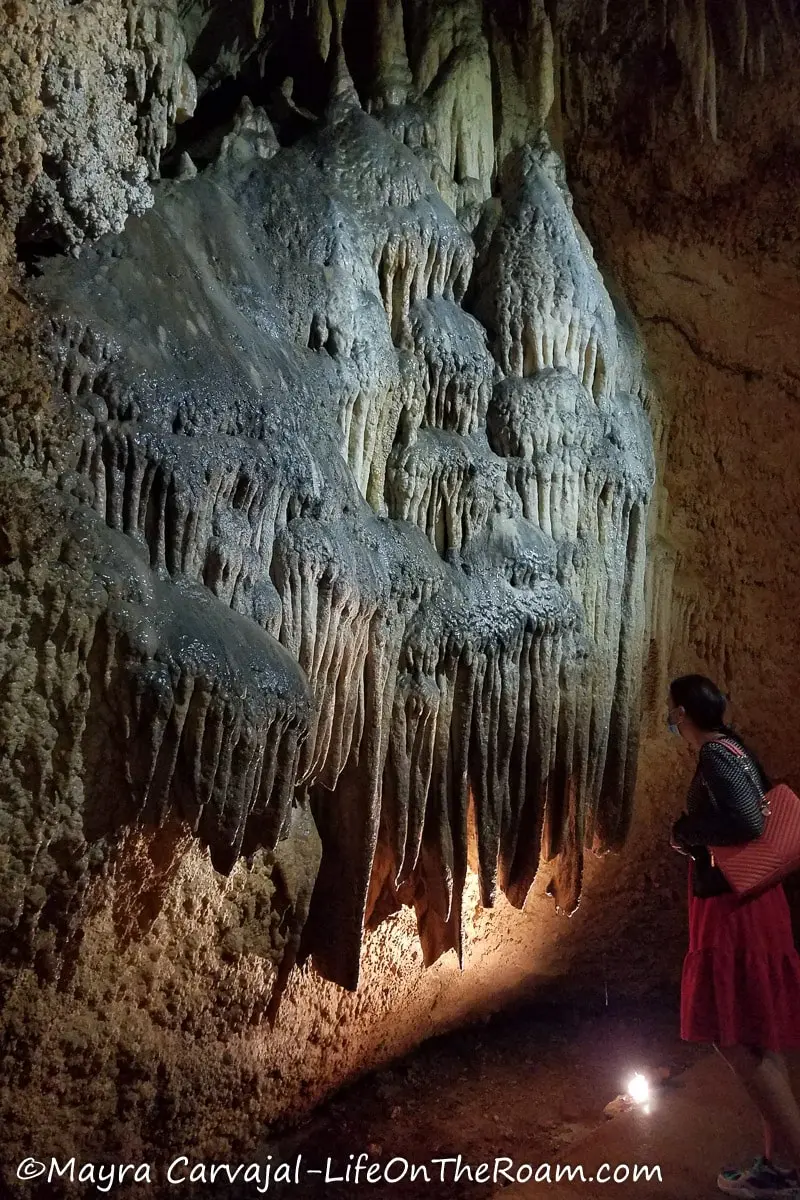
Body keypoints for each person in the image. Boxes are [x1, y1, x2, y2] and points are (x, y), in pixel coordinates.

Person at [668, 674, 800, 1198]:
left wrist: (686, 832)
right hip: (756, 901)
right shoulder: (736, 746)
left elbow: (746, 823)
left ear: (681, 712)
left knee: (733, 1037)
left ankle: (796, 1161)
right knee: (758, 1032)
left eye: (671, 712)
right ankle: (780, 1167)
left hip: (733, 910)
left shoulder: (714, 756)